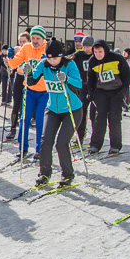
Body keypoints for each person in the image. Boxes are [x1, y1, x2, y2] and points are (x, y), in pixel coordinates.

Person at [31, 38, 82, 187]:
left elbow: (78, 84)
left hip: (71, 109)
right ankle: (44, 173)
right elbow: (32, 80)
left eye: (56, 58)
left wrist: (66, 79)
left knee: (61, 143)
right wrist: (27, 73)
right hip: (52, 109)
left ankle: (67, 175)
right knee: (45, 141)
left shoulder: (69, 64)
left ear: (61, 56)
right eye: (50, 58)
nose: (53, 61)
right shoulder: (44, 64)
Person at [8, 26, 49, 157]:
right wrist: (10, 57)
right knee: (24, 119)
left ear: (43, 39)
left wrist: (48, 61)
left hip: (44, 91)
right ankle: (23, 148)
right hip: (29, 90)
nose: (35, 41)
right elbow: (14, 64)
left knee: (40, 120)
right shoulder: (26, 48)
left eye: (38, 38)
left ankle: (40, 149)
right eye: (33, 38)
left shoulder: (48, 48)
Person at [86, 39, 130, 154]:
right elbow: (90, 78)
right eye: (95, 52)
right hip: (101, 91)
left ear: (105, 50)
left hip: (116, 91)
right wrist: (90, 92)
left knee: (114, 118)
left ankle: (115, 145)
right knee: (99, 117)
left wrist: (123, 91)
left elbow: (126, 76)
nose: (98, 54)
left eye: (100, 52)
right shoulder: (92, 61)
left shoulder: (117, 59)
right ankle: (95, 144)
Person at [4, 33, 29, 141]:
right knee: (16, 104)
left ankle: (25, 128)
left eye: (24, 41)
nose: (22, 43)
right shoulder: (17, 49)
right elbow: (10, 64)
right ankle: (12, 128)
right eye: (20, 41)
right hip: (19, 78)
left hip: (29, 79)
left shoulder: (30, 50)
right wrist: (9, 57)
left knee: (26, 105)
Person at [71, 35, 95, 141]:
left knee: (94, 114)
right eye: (85, 47)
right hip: (83, 86)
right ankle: (80, 135)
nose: (87, 49)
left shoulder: (96, 55)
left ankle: (95, 137)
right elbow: (69, 59)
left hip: (94, 86)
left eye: (89, 47)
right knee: (82, 110)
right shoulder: (79, 55)